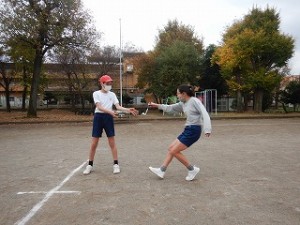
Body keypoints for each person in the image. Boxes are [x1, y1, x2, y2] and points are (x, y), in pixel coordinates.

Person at [148, 84, 212, 181]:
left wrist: (207, 129)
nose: (177, 95)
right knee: (171, 148)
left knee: (174, 151)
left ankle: (192, 169)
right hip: (188, 129)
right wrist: (157, 105)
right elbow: (171, 108)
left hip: (194, 130)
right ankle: (162, 170)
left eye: (178, 94)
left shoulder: (194, 101)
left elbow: (205, 113)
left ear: (184, 93)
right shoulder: (183, 103)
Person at [83, 75, 138, 175]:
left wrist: (128, 110)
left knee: (112, 142)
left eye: (110, 83)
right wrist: (110, 111)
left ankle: (116, 164)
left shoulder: (112, 94)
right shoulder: (96, 93)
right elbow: (99, 107)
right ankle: (89, 165)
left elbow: (118, 106)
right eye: (107, 83)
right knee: (94, 143)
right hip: (99, 117)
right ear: (102, 83)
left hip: (108, 118)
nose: (109, 85)